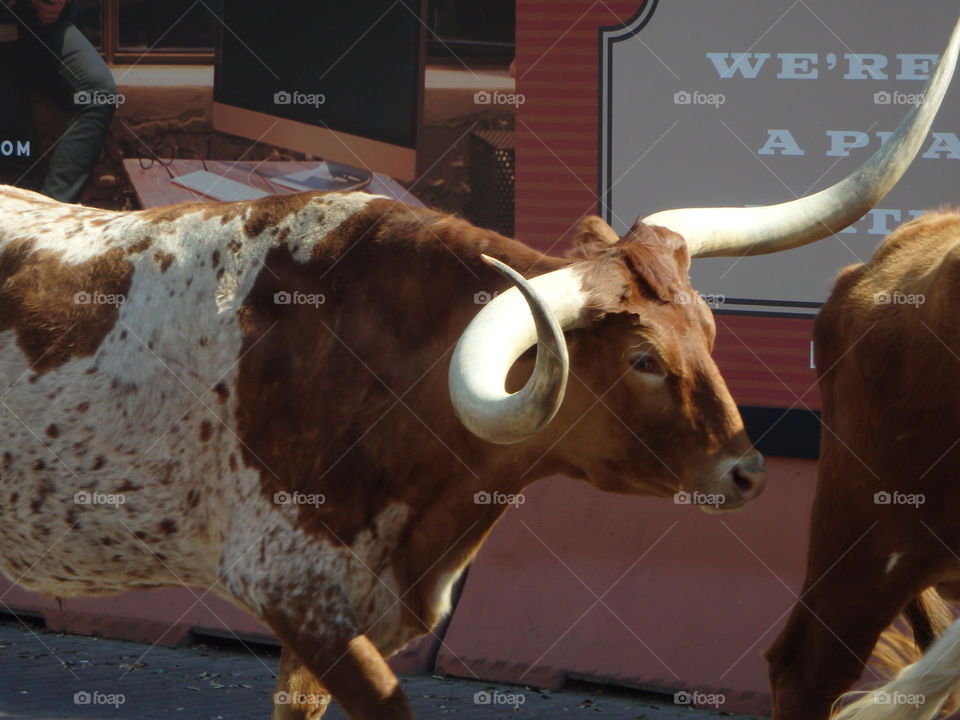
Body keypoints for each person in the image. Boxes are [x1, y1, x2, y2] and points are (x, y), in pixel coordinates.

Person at [0, 0, 117, 202]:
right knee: (20, 159)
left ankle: (54, 207)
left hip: (41, 28)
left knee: (99, 93)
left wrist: (63, 4)